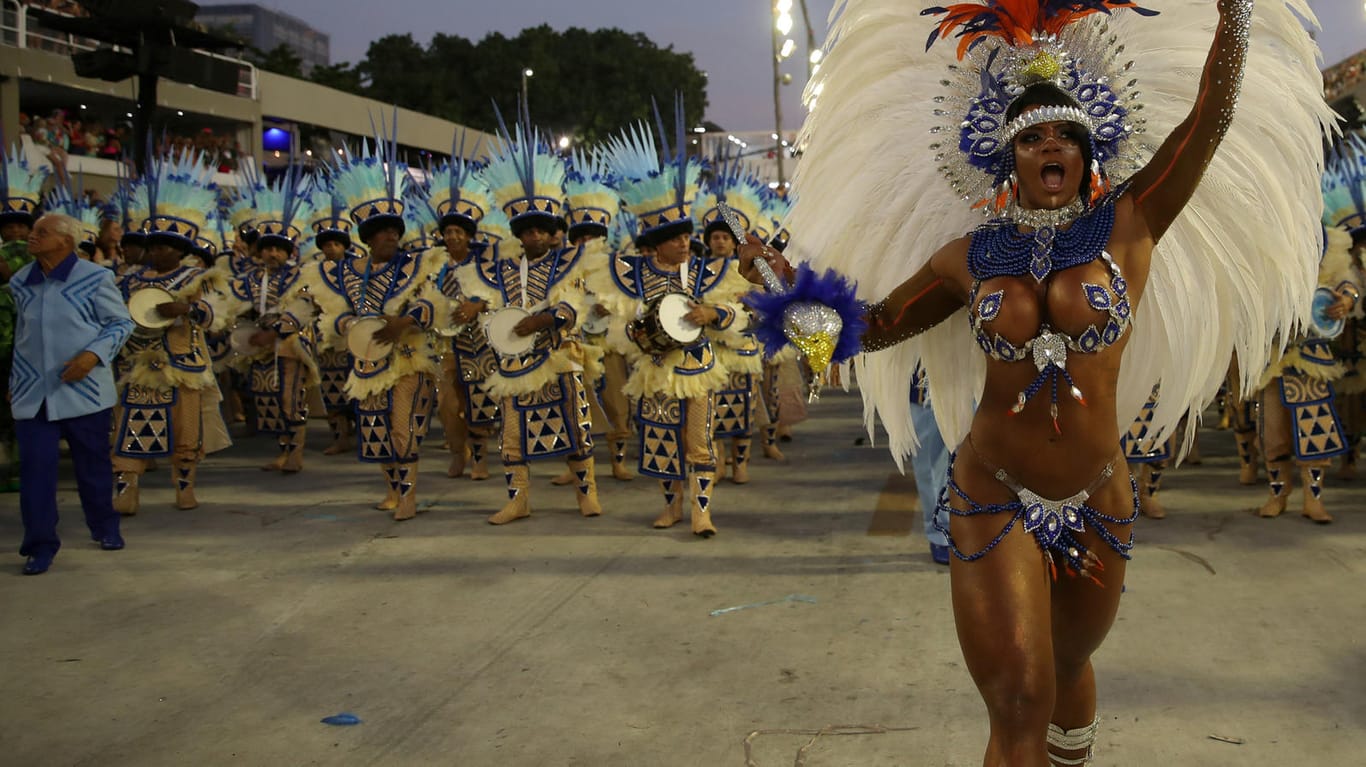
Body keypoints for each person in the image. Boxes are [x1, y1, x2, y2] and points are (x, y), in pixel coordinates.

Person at [785, 1, 1332, 763]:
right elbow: (881, 323)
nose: (1050, 147)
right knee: (1018, 697)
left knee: (1068, 670)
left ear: (1086, 152)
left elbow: (1208, 119)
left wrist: (1235, 13)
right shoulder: (969, 256)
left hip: (1097, 495)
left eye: (1064, 136)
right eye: (1032, 136)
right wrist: (805, 315)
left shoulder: (1131, 223)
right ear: (1007, 158)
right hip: (992, 490)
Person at [593, 110, 755, 536]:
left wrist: (711, 314)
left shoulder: (708, 272)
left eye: (687, 236)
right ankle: (672, 507)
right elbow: (620, 323)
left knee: (697, 442)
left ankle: (702, 512)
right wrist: (636, 334)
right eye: (675, 238)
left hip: (699, 371)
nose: (685, 242)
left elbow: (740, 314)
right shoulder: (633, 275)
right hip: (656, 371)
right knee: (662, 442)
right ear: (654, 243)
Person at [305, 140, 447, 521]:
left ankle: (409, 495)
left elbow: (436, 301)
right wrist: (350, 324)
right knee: (378, 431)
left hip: (407, 360)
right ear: (367, 238)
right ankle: (391, 489)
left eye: (393, 230)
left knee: (403, 428)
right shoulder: (342, 272)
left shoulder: (419, 264)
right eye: (381, 231)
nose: (389, 236)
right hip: (366, 363)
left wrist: (405, 320)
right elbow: (331, 316)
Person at [476, 126, 603, 525]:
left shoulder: (571, 261)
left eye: (540, 230)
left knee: (575, 424)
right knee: (511, 434)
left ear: (551, 234)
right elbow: (491, 306)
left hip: (559, 357)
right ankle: (519, 500)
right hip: (514, 365)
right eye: (527, 230)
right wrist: (477, 308)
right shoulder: (501, 269)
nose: (534, 236)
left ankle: (587, 495)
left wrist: (543, 320)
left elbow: (572, 306)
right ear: (519, 235)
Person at [9, 213, 134, 574]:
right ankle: (39, 545)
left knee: (93, 467)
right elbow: (23, 336)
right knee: (36, 472)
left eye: (40, 233)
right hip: (32, 393)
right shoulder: (21, 281)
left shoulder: (95, 277)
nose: (31, 237)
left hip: (84, 390)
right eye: (33, 232)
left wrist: (92, 355)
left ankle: (105, 526)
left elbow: (121, 322)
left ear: (65, 241)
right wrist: (15, 379)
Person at [111, 150, 231, 514]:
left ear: (180, 249)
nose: (158, 251)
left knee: (186, 430)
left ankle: (185, 488)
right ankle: (126, 490)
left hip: (183, 366)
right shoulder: (128, 280)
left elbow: (218, 316)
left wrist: (186, 309)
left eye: (165, 246)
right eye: (155, 245)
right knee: (130, 428)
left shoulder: (199, 278)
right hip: (136, 366)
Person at [1252, 224, 1358, 522]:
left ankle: (1314, 499)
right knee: (1272, 433)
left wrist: (1347, 300)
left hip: (1312, 360)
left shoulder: (1329, 242)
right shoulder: (1265, 241)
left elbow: (1347, 282)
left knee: (1315, 431)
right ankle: (1277, 494)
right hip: (1273, 360)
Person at [425, 151, 500, 481]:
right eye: (448, 231)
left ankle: (480, 457)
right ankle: (458, 452)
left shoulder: (486, 263)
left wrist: (478, 306)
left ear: (469, 235)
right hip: (444, 344)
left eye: (459, 231)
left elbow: (499, 296)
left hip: (478, 342)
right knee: (446, 403)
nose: (453, 236)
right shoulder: (432, 263)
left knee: (480, 400)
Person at [2, 140, 51, 493]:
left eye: (23, 226)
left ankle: (21, 466)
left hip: (23, 344)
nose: (16, 232)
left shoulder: (36, 258)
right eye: (10, 227)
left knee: (20, 406)